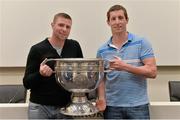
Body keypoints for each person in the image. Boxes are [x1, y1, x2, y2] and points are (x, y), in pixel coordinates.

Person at [96, 4, 157, 119]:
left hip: (138, 106)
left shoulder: (142, 43)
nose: (117, 22)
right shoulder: (102, 50)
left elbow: (152, 71)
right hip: (112, 107)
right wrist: (102, 99)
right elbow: (101, 79)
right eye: (113, 19)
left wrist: (125, 66)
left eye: (120, 18)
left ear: (127, 20)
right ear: (108, 22)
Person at [23, 12, 83, 119]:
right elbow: (27, 83)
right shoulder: (37, 49)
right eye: (61, 25)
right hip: (40, 108)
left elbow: (81, 74)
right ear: (52, 25)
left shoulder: (74, 46)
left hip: (65, 107)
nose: (64, 29)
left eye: (68, 27)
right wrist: (40, 74)